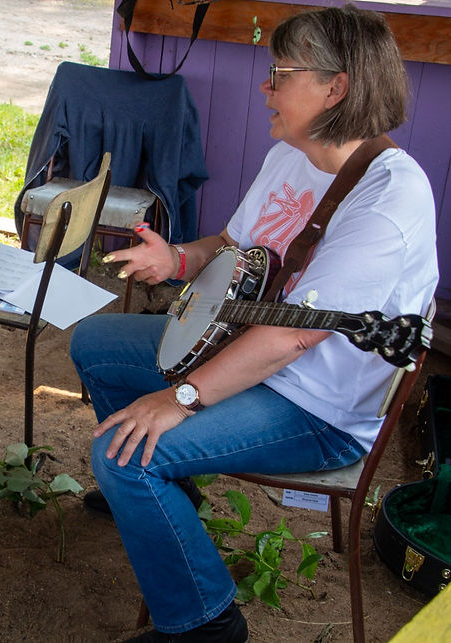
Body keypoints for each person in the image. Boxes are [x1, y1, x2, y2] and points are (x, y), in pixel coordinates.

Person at [70, 5, 437, 642]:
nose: (262, 87)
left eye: (280, 74)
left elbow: (293, 335)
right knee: (94, 342)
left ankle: (206, 622)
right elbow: (233, 245)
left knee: (120, 455)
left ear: (335, 88)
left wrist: (177, 400)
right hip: (252, 353)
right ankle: (166, 493)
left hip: (317, 407)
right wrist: (179, 257)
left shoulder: (388, 200)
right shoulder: (293, 153)